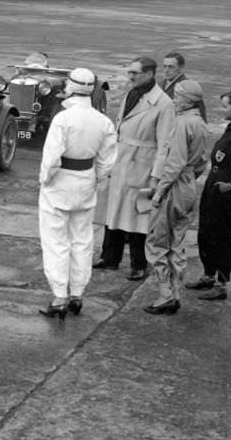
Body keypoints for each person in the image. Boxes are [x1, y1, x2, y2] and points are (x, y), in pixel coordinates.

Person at [38, 68, 117, 319]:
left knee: (56, 242)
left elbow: (51, 158)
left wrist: (45, 180)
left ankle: (60, 295)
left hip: (59, 184)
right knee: (82, 241)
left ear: (70, 87)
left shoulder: (63, 118)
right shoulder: (103, 121)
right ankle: (77, 295)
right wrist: (95, 180)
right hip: (85, 182)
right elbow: (107, 162)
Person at [94, 57, 175, 280]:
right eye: (129, 72)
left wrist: (156, 176)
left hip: (143, 163)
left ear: (150, 74)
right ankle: (110, 257)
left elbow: (164, 144)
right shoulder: (132, 93)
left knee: (140, 215)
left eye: (135, 73)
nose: (130, 76)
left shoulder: (163, 103)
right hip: (122, 159)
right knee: (114, 210)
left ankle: (139, 264)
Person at [143, 79, 209, 314]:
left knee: (158, 240)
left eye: (178, 96)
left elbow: (175, 163)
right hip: (189, 186)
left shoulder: (182, 123)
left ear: (187, 100)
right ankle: (176, 291)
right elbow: (201, 162)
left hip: (174, 186)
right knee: (178, 242)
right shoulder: (200, 123)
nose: (174, 100)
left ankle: (165, 294)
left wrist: (159, 191)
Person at [187, 89, 231, 301]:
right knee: (206, 234)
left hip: (225, 196)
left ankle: (221, 283)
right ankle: (208, 275)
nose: (222, 109)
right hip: (213, 190)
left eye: (225, 106)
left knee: (221, 238)